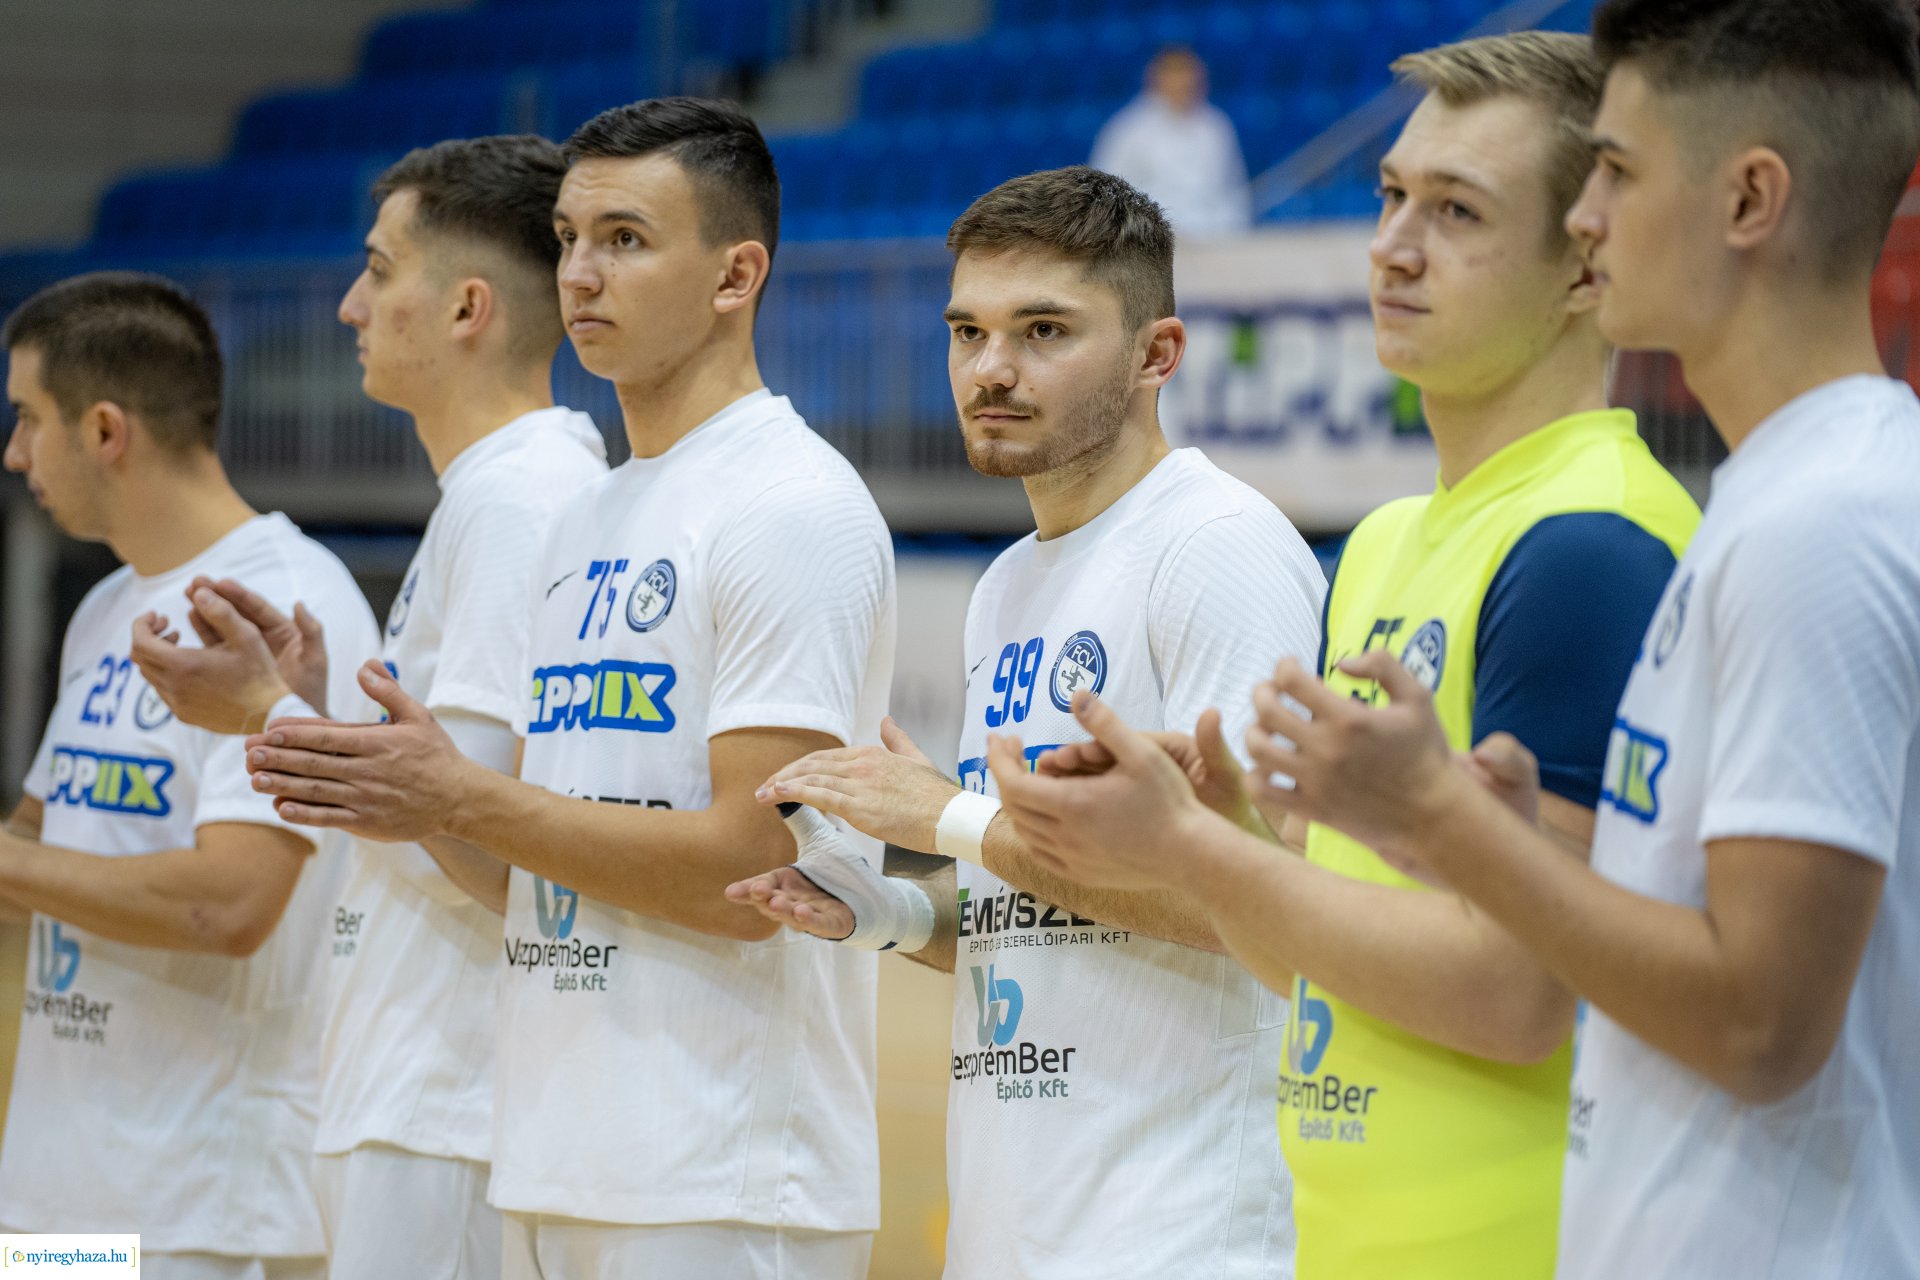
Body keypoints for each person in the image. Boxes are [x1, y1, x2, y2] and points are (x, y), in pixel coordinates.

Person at [1049, 2, 1920, 1277]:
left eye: (1616, 173)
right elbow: (1398, 942)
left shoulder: (1709, 532)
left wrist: (1386, 834)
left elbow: (1730, 1017)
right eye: (1392, 194)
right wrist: (1247, 836)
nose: (1591, 215)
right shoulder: (1761, 510)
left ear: (1749, 199)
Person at [981, 31, 1702, 1279]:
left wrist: (1193, 851)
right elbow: (1304, 958)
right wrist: (1232, 839)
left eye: (1457, 211)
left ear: (1588, 263)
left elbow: (1520, 995)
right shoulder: (1380, 544)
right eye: (1390, 197)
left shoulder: (1586, 541)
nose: (1393, 245)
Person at [242, 97, 895, 1277]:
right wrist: (398, 783)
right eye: (568, 237)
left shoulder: (790, 502)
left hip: (720, 1172)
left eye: (627, 240)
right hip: (551, 1151)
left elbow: (752, 872)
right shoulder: (588, 517)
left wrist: (455, 794)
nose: (583, 273)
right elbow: (524, 875)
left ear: (736, 273)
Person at [731, 165, 1321, 1278]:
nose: (990, 370)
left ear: (1158, 354)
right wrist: (895, 911)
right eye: (968, 331)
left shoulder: (1220, 547)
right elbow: (1054, 914)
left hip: (1182, 1230)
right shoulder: (1008, 583)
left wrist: (951, 816)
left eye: (1043, 329)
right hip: (1018, 1218)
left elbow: (1267, 911)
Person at [135, 135, 609, 1280]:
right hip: (412, 1086)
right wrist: (303, 708)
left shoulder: (520, 500)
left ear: (467, 308)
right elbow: (444, 794)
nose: (350, 304)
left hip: (449, 1096)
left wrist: (265, 717)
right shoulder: (498, 495)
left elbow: (491, 836)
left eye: (378, 268)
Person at [0, 271, 379, 1279]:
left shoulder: (290, 606)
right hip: (62, 1196)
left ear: (107, 429)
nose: (15, 452)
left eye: (30, 418)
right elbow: (35, 847)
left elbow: (232, 902)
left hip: (204, 1209)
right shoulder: (106, 605)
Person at [1091, 46, 1252, 238]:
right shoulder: (1127, 130)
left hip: (1215, 236)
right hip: (1152, 243)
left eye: (1188, 74)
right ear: (1155, 78)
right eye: (1174, 74)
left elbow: (1234, 188)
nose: (1183, 83)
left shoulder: (1216, 126)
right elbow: (1107, 195)